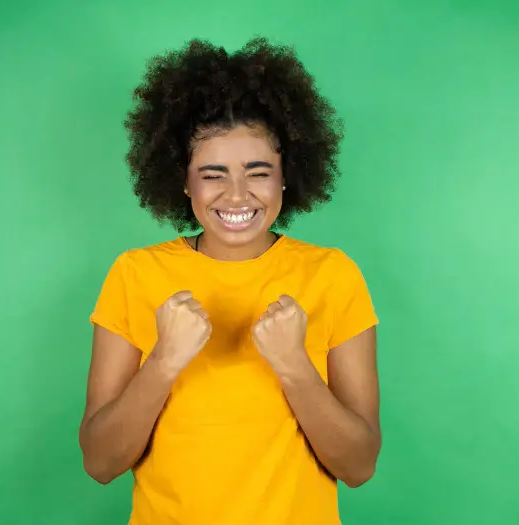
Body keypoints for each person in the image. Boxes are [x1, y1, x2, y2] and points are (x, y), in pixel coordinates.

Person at [79, 37, 381, 525]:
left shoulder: (332, 275)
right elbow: (100, 463)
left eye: (258, 172)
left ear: (286, 175)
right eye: (213, 174)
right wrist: (163, 361)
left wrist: (295, 367)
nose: (237, 195)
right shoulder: (135, 274)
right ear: (183, 181)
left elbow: (360, 465)